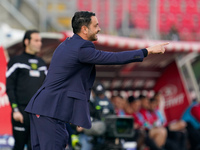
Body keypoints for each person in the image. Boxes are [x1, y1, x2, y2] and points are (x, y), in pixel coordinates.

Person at [25, 11, 169, 150]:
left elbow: (70, 85)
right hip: (49, 111)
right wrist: (147, 51)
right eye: (96, 25)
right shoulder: (82, 48)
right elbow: (114, 58)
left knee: (60, 140)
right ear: (84, 29)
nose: (99, 29)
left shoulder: (68, 44)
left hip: (43, 109)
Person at [6, 30, 47, 150]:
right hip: (21, 112)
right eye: (36, 40)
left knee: (34, 147)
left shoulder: (42, 63)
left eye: (40, 41)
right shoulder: (16, 61)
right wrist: (15, 110)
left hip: (37, 114)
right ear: (27, 41)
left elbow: (46, 89)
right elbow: (10, 87)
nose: (40, 43)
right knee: (19, 146)